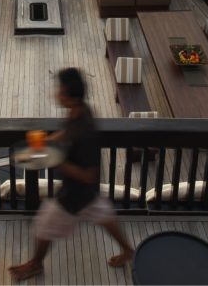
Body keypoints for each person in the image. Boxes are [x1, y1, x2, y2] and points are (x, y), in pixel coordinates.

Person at [9, 67, 134, 281]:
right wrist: (48, 143)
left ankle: (36, 264)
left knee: (43, 226)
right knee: (105, 215)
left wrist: (56, 160)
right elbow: (67, 132)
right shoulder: (81, 111)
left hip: (75, 196)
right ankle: (128, 250)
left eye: (59, 90)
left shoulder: (84, 132)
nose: (56, 94)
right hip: (88, 193)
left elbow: (88, 175)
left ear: (69, 96)